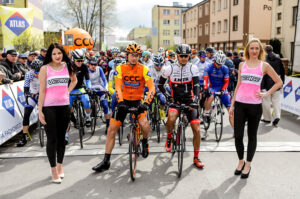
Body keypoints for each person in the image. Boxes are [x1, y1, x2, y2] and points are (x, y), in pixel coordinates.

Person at [92, 43, 155, 172]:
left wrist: (147, 103)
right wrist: (120, 102)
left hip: (138, 101)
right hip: (124, 101)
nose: (134, 58)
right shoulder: (120, 69)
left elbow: (152, 88)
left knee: (144, 125)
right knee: (111, 130)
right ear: (127, 56)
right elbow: (118, 87)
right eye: (132, 55)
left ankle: (144, 141)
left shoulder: (144, 69)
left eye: (137, 55)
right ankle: (106, 160)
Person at [229, 38, 282, 179]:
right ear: (247, 50)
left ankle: (248, 164)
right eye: (251, 48)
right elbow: (238, 85)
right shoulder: (241, 64)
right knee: (238, 136)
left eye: (256, 48)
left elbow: (279, 82)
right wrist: (232, 104)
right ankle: (241, 161)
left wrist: (266, 94)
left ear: (260, 50)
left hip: (255, 106)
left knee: (252, 136)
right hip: (240, 104)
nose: (254, 51)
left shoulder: (264, 66)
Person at [158, 44, 204, 168]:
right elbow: (160, 85)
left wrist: (195, 99)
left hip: (190, 101)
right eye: (181, 56)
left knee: (197, 129)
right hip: (176, 101)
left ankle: (196, 157)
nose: (184, 58)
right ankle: (169, 137)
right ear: (177, 56)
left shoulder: (193, 68)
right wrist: (168, 97)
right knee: (171, 119)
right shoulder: (169, 68)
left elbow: (196, 85)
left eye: (186, 56)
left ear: (189, 56)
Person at [38, 43, 77, 183]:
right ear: (50, 55)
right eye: (54, 54)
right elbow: (41, 91)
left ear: (63, 53)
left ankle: (60, 167)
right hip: (49, 107)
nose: (57, 56)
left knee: (62, 139)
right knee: (52, 139)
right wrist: (40, 111)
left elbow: (74, 80)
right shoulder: (44, 68)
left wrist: (67, 92)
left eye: (59, 53)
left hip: (64, 107)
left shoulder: (67, 66)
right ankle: (53, 169)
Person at [65, 49, 92, 144]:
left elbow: (87, 79)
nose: (80, 62)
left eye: (82, 60)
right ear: (73, 59)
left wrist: (89, 88)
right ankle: (66, 135)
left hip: (80, 88)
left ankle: (88, 117)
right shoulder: (68, 67)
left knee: (86, 100)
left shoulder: (84, 67)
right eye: (78, 61)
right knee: (67, 111)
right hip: (70, 89)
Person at [203, 51, 234, 127]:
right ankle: (206, 113)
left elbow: (227, 81)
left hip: (222, 87)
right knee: (209, 98)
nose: (218, 66)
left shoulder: (225, 68)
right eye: (217, 64)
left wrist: (223, 89)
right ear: (214, 60)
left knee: (231, 110)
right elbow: (205, 79)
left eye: (220, 64)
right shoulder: (208, 67)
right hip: (212, 87)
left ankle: (235, 130)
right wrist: (205, 88)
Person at [16, 59, 43, 147]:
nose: (37, 74)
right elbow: (26, 88)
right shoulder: (29, 74)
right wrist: (27, 94)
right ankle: (24, 136)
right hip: (33, 95)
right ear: (32, 70)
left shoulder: (46, 74)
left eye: (39, 72)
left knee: (48, 111)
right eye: (36, 72)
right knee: (27, 113)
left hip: (43, 94)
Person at [261, 45, 285, 126]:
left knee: (266, 102)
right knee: (276, 101)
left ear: (265, 50)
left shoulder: (265, 60)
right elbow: (282, 71)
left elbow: (263, 74)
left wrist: (262, 86)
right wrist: (282, 83)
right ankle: (277, 116)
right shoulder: (278, 58)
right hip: (277, 81)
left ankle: (267, 118)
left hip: (267, 83)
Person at [88, 57, 111, 134]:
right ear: (88, 64)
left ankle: (108, 125)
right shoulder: (86, 70)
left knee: (105, 105)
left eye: (95, 64)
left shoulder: (99, 69)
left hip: (99, 88)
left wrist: (105, 88)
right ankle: (89, 116)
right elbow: (85, 81)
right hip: (90, 88)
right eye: (92, 64)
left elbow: (104, 80)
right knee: (87, 102)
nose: (93, 66)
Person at [151, 54, 167, 120]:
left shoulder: (165, 69)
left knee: (163, 100)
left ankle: (162, 111)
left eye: (161, 65)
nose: (159, 67)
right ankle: (150, 112)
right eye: (157, 65)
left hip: (160, 88)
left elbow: (166, 82)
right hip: (151, 88)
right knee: (148, 101)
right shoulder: (149, 68)